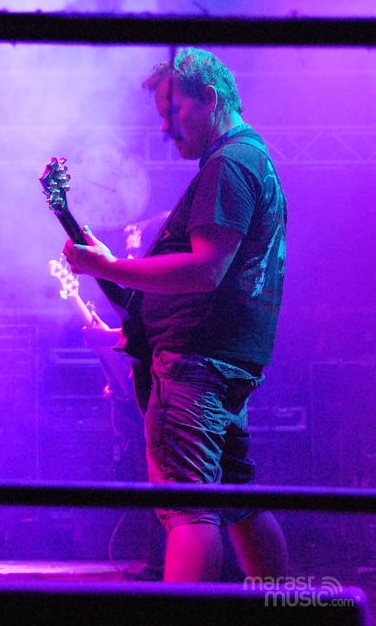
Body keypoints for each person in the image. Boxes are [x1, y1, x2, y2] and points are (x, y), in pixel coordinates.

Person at [63, 47, 288, 582]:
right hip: (227, 358)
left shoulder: (229, 163)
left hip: (195, 362)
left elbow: (206, 269)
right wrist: (117, 272)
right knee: (238, 498)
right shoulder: (251, 158)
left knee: (187, 507)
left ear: (209, 99)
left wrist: (110, 268)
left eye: (173, 111)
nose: (165, 128)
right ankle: (285, 613)